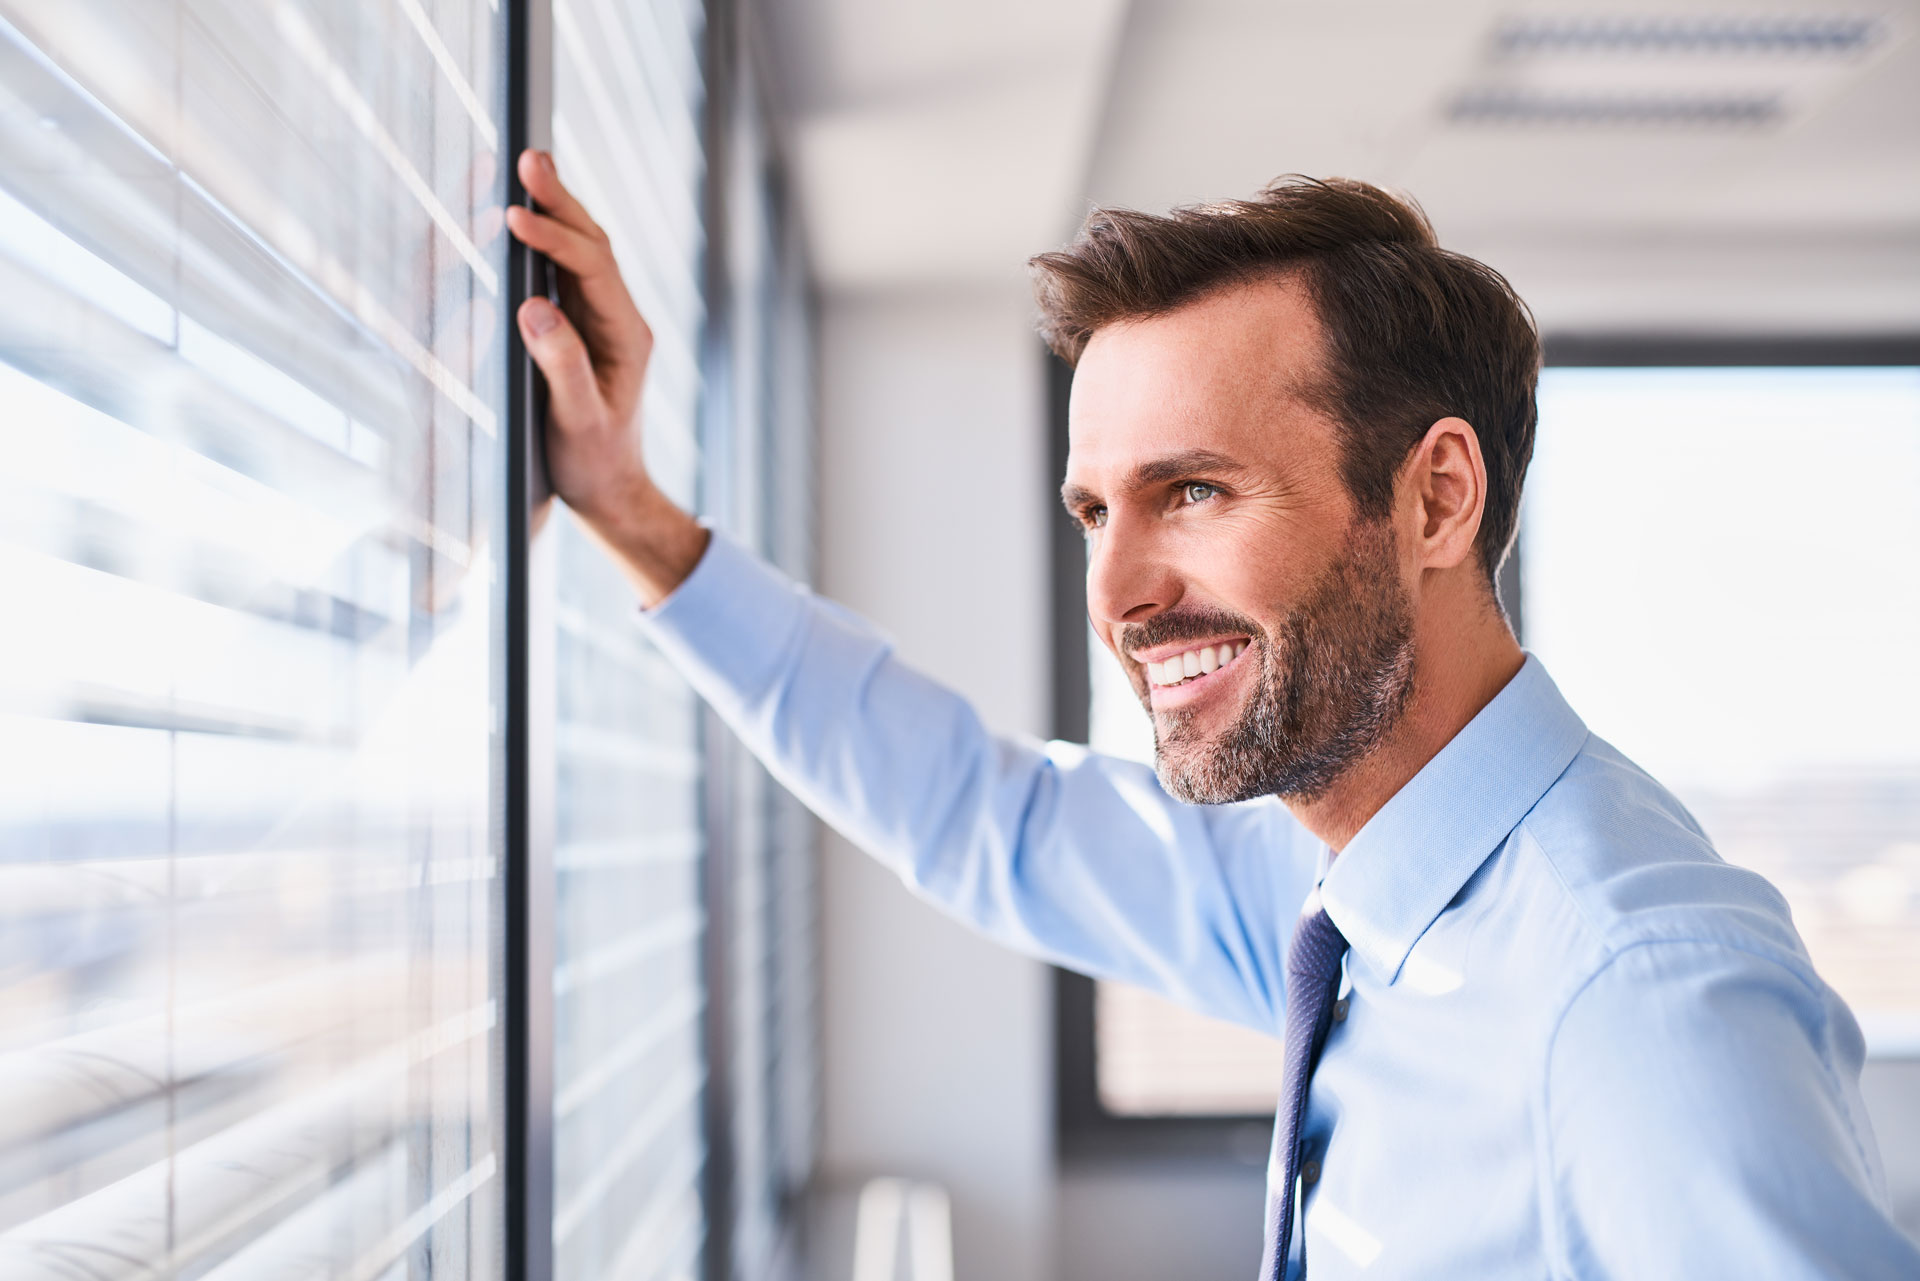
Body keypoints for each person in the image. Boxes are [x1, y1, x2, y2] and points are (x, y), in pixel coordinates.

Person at [504, 147, 1919, 1280]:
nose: (1117, 589)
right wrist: (627, 510)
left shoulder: (1633, 996)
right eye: (1092, 511)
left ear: (1435, 498)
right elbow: (984, 815)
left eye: (1193, 492)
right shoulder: (1353, 883)